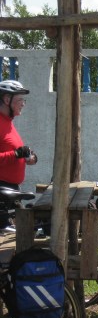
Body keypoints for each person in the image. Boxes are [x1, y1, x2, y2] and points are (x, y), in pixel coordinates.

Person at [0, 80, 38, 231]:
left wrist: (28, 157)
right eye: (20, 99)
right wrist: (16, 153)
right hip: (2, 193)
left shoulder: (8, 122)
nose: (23, 104)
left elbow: (13, 154)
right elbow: (12, 154)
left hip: (11, 191)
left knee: (26, 232)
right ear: (6, 99)